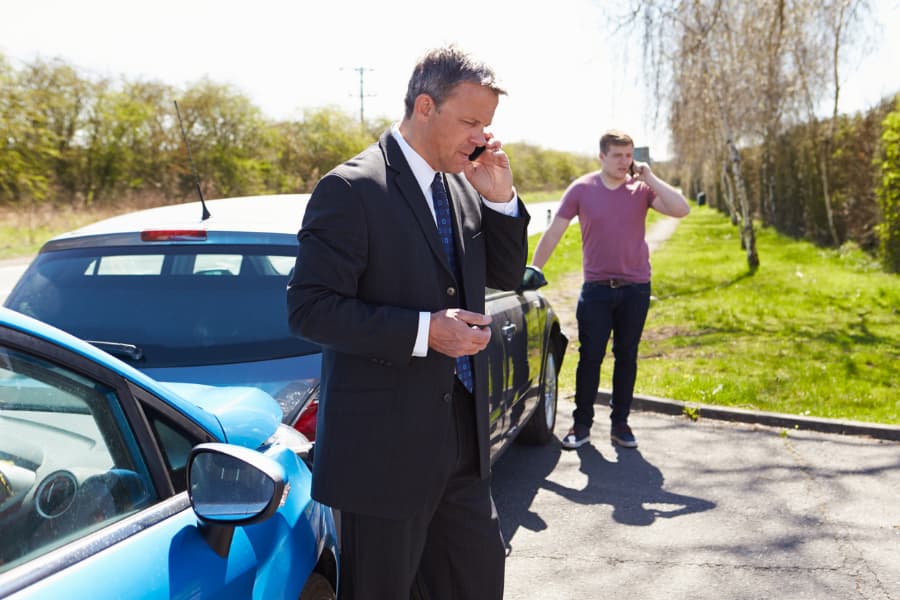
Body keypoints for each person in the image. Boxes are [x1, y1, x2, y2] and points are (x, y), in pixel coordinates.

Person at [287, 45, 529, 600]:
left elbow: (508, 275)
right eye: (470, 122)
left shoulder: (466, 183)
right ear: (425, 106)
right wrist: (425, 332)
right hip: (384, 462)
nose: (480, 138)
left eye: (486, 126)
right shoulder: (351, 189)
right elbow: (308, 308)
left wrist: (500, 201)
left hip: (465, 452)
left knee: (478, 583)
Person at [530, 130, 689, 450]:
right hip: (597, 290)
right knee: (590, 357)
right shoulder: (582, 189)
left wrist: (650, 175)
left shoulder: (641, 189)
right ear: (602, 156)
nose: (624, 162)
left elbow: (681, 209)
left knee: (627, 357)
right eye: (617, 155)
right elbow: (554, 232)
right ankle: (581, 425)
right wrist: (534, 270)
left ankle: (621, 424)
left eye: (628, 155)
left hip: (636, 288)